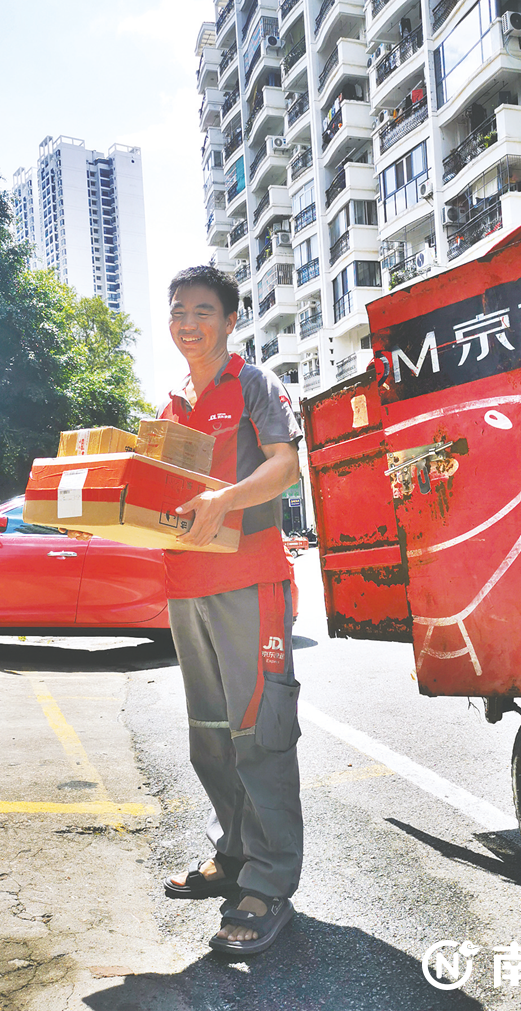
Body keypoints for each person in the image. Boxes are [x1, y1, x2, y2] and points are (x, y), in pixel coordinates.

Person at [159, 266, 303, 956]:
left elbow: (286, 466)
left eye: (203, 309)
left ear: (228, 319)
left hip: (250, 581)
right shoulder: (169, 408)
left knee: (259, 731)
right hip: (185, 587)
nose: (188, 321)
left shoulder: (253, 383)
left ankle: (270, 883)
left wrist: (224, 499)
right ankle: (236, 856)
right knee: (210, 735)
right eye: (178, 309)